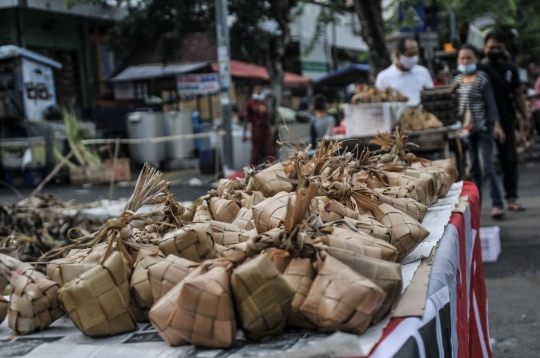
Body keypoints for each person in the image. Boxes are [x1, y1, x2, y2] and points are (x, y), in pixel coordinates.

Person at [478, 31, 529, 211]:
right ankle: (493, 203)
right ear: (485, 48)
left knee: (509, 159)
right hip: (484, 122)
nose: (494, 50)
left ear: (504, 48)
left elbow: (517, 95)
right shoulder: (479, 69)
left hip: (506, 120)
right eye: (491, 47)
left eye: (498, 48)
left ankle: (511, 198)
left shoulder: (510, 69)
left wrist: (525, 116)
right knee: (487, 165)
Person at [454, 44, 506, 219]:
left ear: (476, 59)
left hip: (483, 129)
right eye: (462, 58)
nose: (466, 61)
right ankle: (477, 206)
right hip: (466, 133)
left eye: (469, 58)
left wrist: (497, 126)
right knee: (474, 170)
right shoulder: (457, 81)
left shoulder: (482, 78)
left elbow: (491, 104)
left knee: (488, 167)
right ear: (458, 60)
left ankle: (498, 205)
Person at [375, 36, 434, 106]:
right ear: (397, 54)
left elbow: (432, 97)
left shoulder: (423, 72)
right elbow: (379, 105)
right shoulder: (384, 77)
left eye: (416, 54)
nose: (414, 58)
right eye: (410, 54)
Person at [242, 85, 274, 165]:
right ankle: (251, 169)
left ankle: (272, 169)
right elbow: (246, 119)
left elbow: (268, 117)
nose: (259, 91)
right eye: (257, 89)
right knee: (256, 151)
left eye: (260, 89)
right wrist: (244, 133)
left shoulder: (264, 103)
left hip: (266, 128)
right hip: (257, 128)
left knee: (269, 150)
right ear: (253, 91)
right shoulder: (250, 103)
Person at [528, 66, 540, 136]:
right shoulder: (537, 80)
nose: (533, 71)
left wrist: (531, 96)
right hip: (536, 107)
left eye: (534, 69)